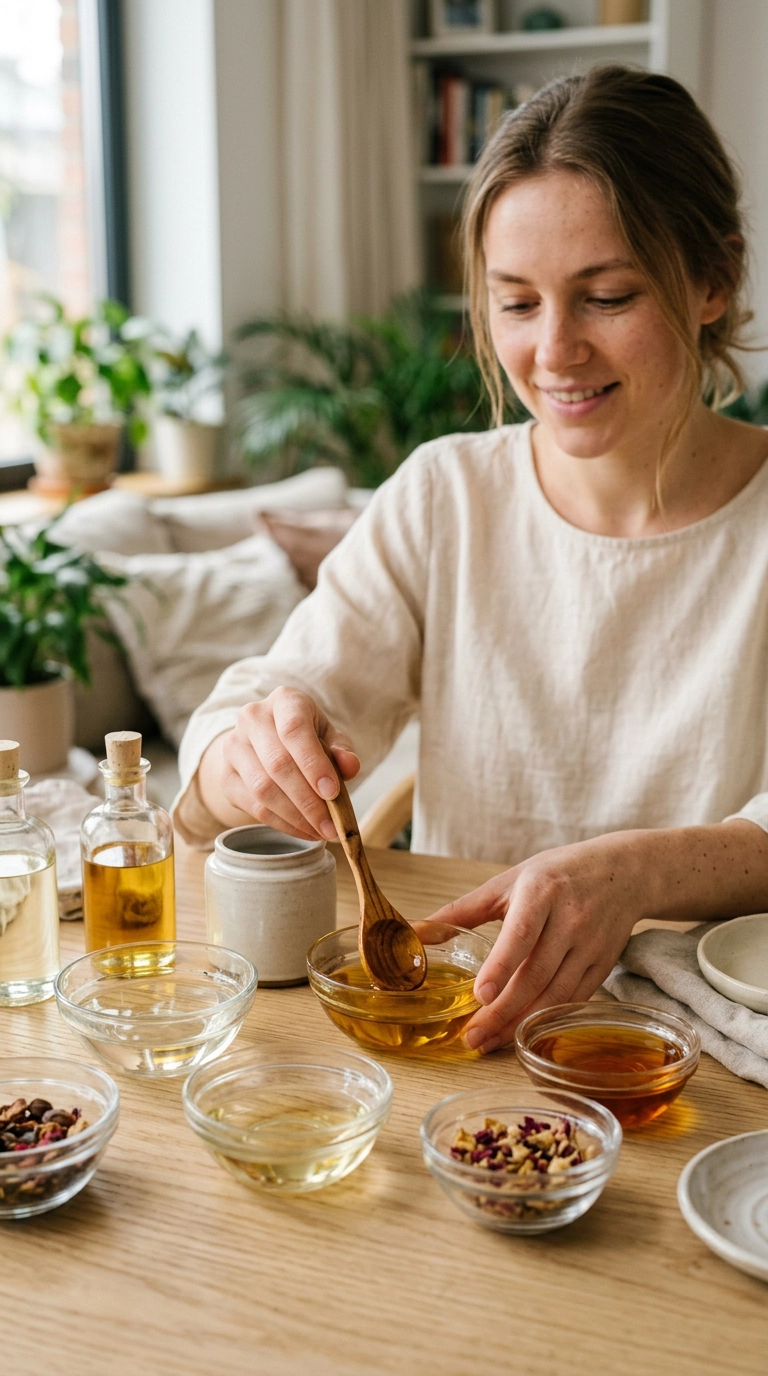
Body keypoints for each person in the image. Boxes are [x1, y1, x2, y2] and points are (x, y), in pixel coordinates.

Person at [174, 65, 768, 1052]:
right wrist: (248, 756)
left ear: (714, 282)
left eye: (607, 295)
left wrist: (636, 872)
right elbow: (255, 707)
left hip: (695, 1055)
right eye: (516, 303)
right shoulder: (445, 493)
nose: (555, 351)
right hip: (469, 1033)